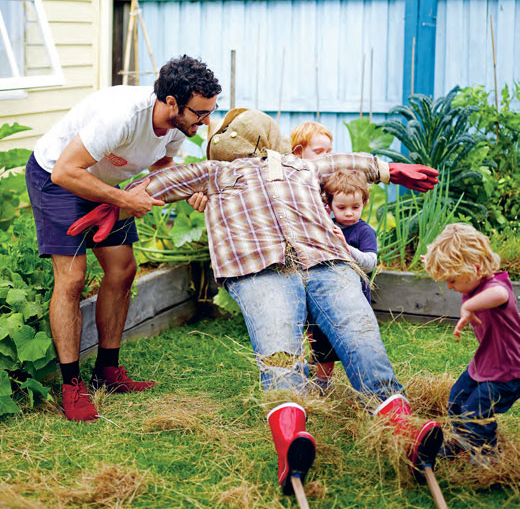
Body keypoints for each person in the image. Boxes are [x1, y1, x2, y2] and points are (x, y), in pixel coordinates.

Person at [69, 108, 443, 493]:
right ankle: (291, 443)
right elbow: (165, 180)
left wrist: (390, 170)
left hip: (328, 262)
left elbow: (342, 161)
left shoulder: (301, 168)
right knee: (280, 354)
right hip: (260, 270)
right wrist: (114, 203)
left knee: (362, 340)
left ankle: (403, 432)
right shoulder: (216, 173)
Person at [25, 54, 222, 422]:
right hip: (57, 177)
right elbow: (67, 172)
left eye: (210, 111)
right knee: (72, 278)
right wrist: (124, 199)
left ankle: (108, 371)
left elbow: (163, 164)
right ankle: (71, 385)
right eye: (200, 112)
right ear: (171, 103)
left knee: (123, 270)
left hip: (103, 184)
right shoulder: (123, 116)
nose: (206, 121)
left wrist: (191, 189)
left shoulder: (180, 126)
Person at [423, 223, 520, 460]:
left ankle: (488, 460)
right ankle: (464, 440)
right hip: (486, 363)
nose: (449, 286)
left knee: (475, 412)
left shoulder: (496, 286)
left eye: (453, 280)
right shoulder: (473, 280)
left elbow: (501, 295)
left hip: (508, 371)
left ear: (475, 269)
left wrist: (468, 306)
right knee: (456, 400)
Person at [311, 169, 378, 393]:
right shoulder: (326, 226)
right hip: (325, 294)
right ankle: (322, 382)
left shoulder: (364, 231)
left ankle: (364, 383)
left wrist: (346, 248)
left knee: (355, 341)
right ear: (329, 205)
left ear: (364, 203)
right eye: (341, 208)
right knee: (320, 340)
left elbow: (369, 262)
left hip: (354, 298)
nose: (349, 213)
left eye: (355, 207)